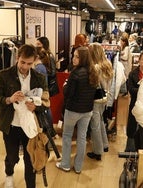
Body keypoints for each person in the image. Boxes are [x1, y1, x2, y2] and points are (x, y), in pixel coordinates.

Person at [0, 44, 49, 188]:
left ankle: (31, 185)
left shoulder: (39, 78)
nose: (25, 66)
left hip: (30, 126)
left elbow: (47, 101)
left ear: (34, 61)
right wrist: (9, 99)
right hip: (11, 124)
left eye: (29, 63)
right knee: (12, 156)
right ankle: (9, 174)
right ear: (17, 58)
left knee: (30, 158)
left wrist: (36, 106)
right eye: (22, 62)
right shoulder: (5, 75)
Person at [56, 46, 98, 174]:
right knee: (82, 137)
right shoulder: (93, 72)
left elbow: (68, 93)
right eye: (74, 55)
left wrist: (64, 86)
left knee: (67, 136)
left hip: (73, 109)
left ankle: (65, 164)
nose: (74, 59)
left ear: (83, 58)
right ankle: (78, 166)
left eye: (77, 56)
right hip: (87, 110)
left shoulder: (75, 73)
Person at [86, 43, 113, 160]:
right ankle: (105, 144)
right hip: (105, 97)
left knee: (95, 125)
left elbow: (94, 84)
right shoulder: (108, 64)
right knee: (101, 121)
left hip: (96, 99)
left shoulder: (95, 68)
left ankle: (98, 151)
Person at [125, 52, 143, 152]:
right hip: (135, 104)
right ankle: (130, 150)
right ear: (139, 61)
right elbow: (131, 89)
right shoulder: (132, 74)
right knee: (132, 127)